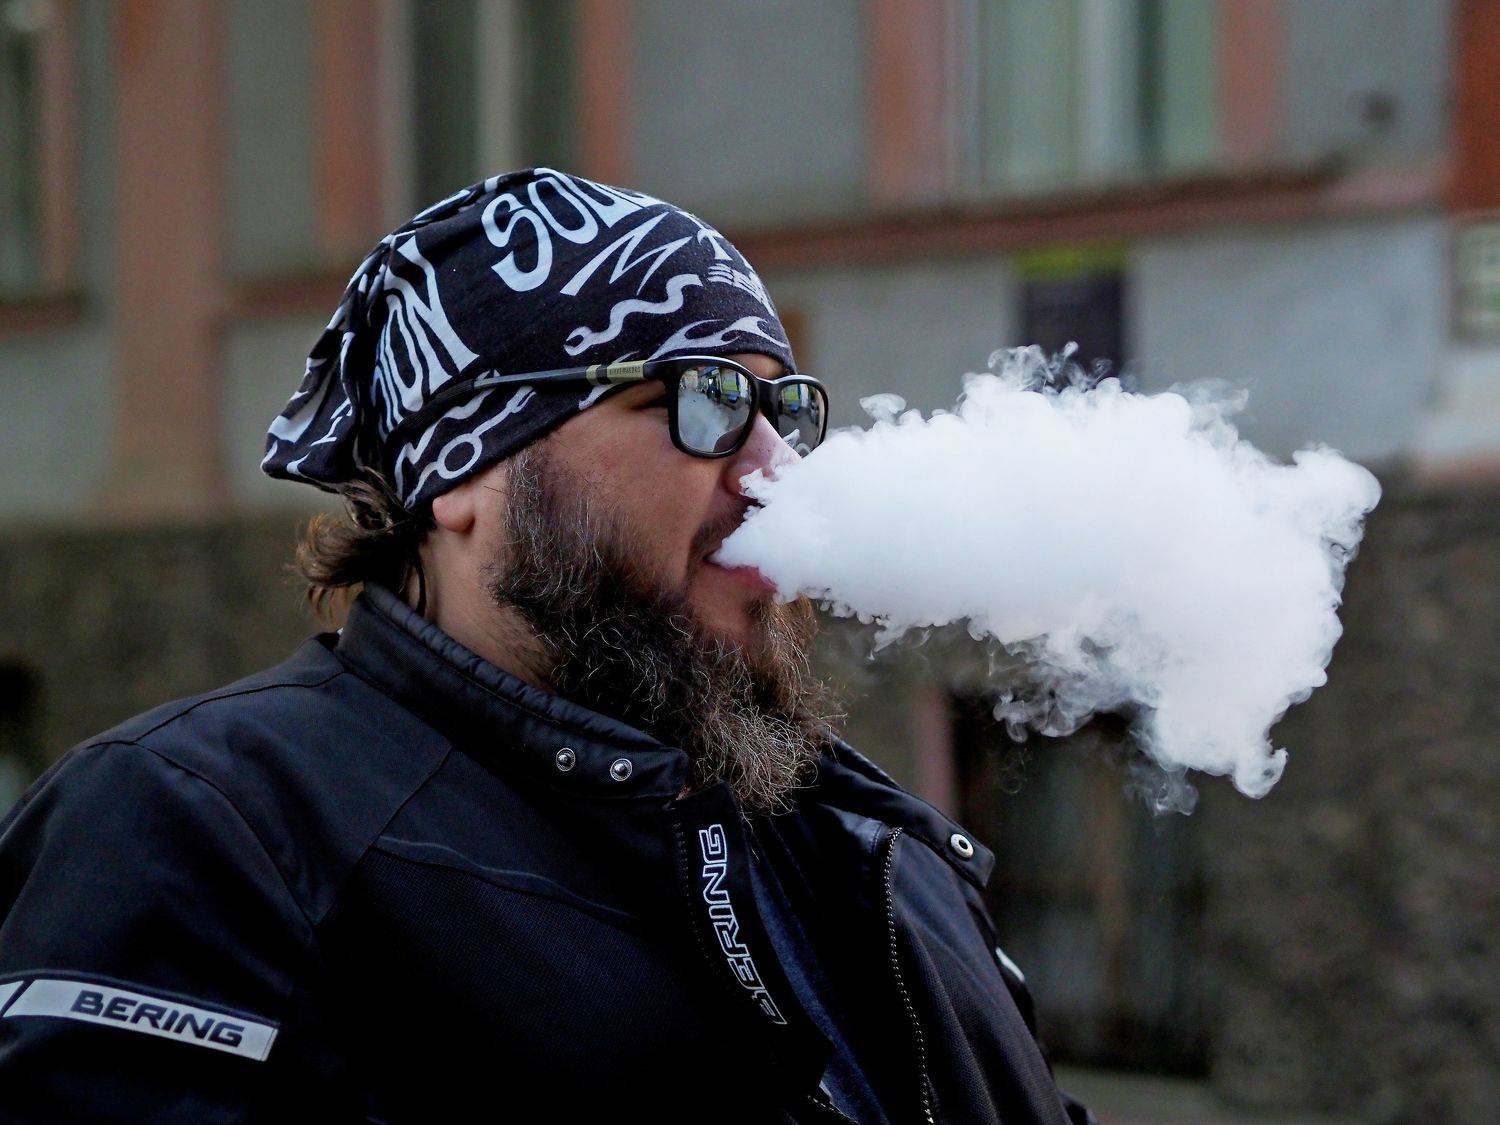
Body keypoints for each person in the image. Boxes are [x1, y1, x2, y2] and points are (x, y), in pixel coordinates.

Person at [0, 168, 1093, 1124]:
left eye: (782, 409)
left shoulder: (871, 846)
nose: (777, 473)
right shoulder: (204, 827)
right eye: (703, 397)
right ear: (468, 467)